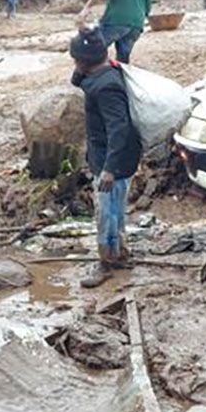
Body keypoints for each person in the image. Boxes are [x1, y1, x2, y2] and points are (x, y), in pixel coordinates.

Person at [68, 29, 141, 289]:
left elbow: (119, 128)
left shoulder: (107, 86)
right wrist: (87, 42)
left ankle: (107, 263)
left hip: (114, 163)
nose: (74, 65)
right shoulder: (101, 73)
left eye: (76, 59)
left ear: (85, 61)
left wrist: (109, 169)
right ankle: (120, 251)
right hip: (114, 158)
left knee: (106, 213)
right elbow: (76, 82)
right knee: (115, 210)